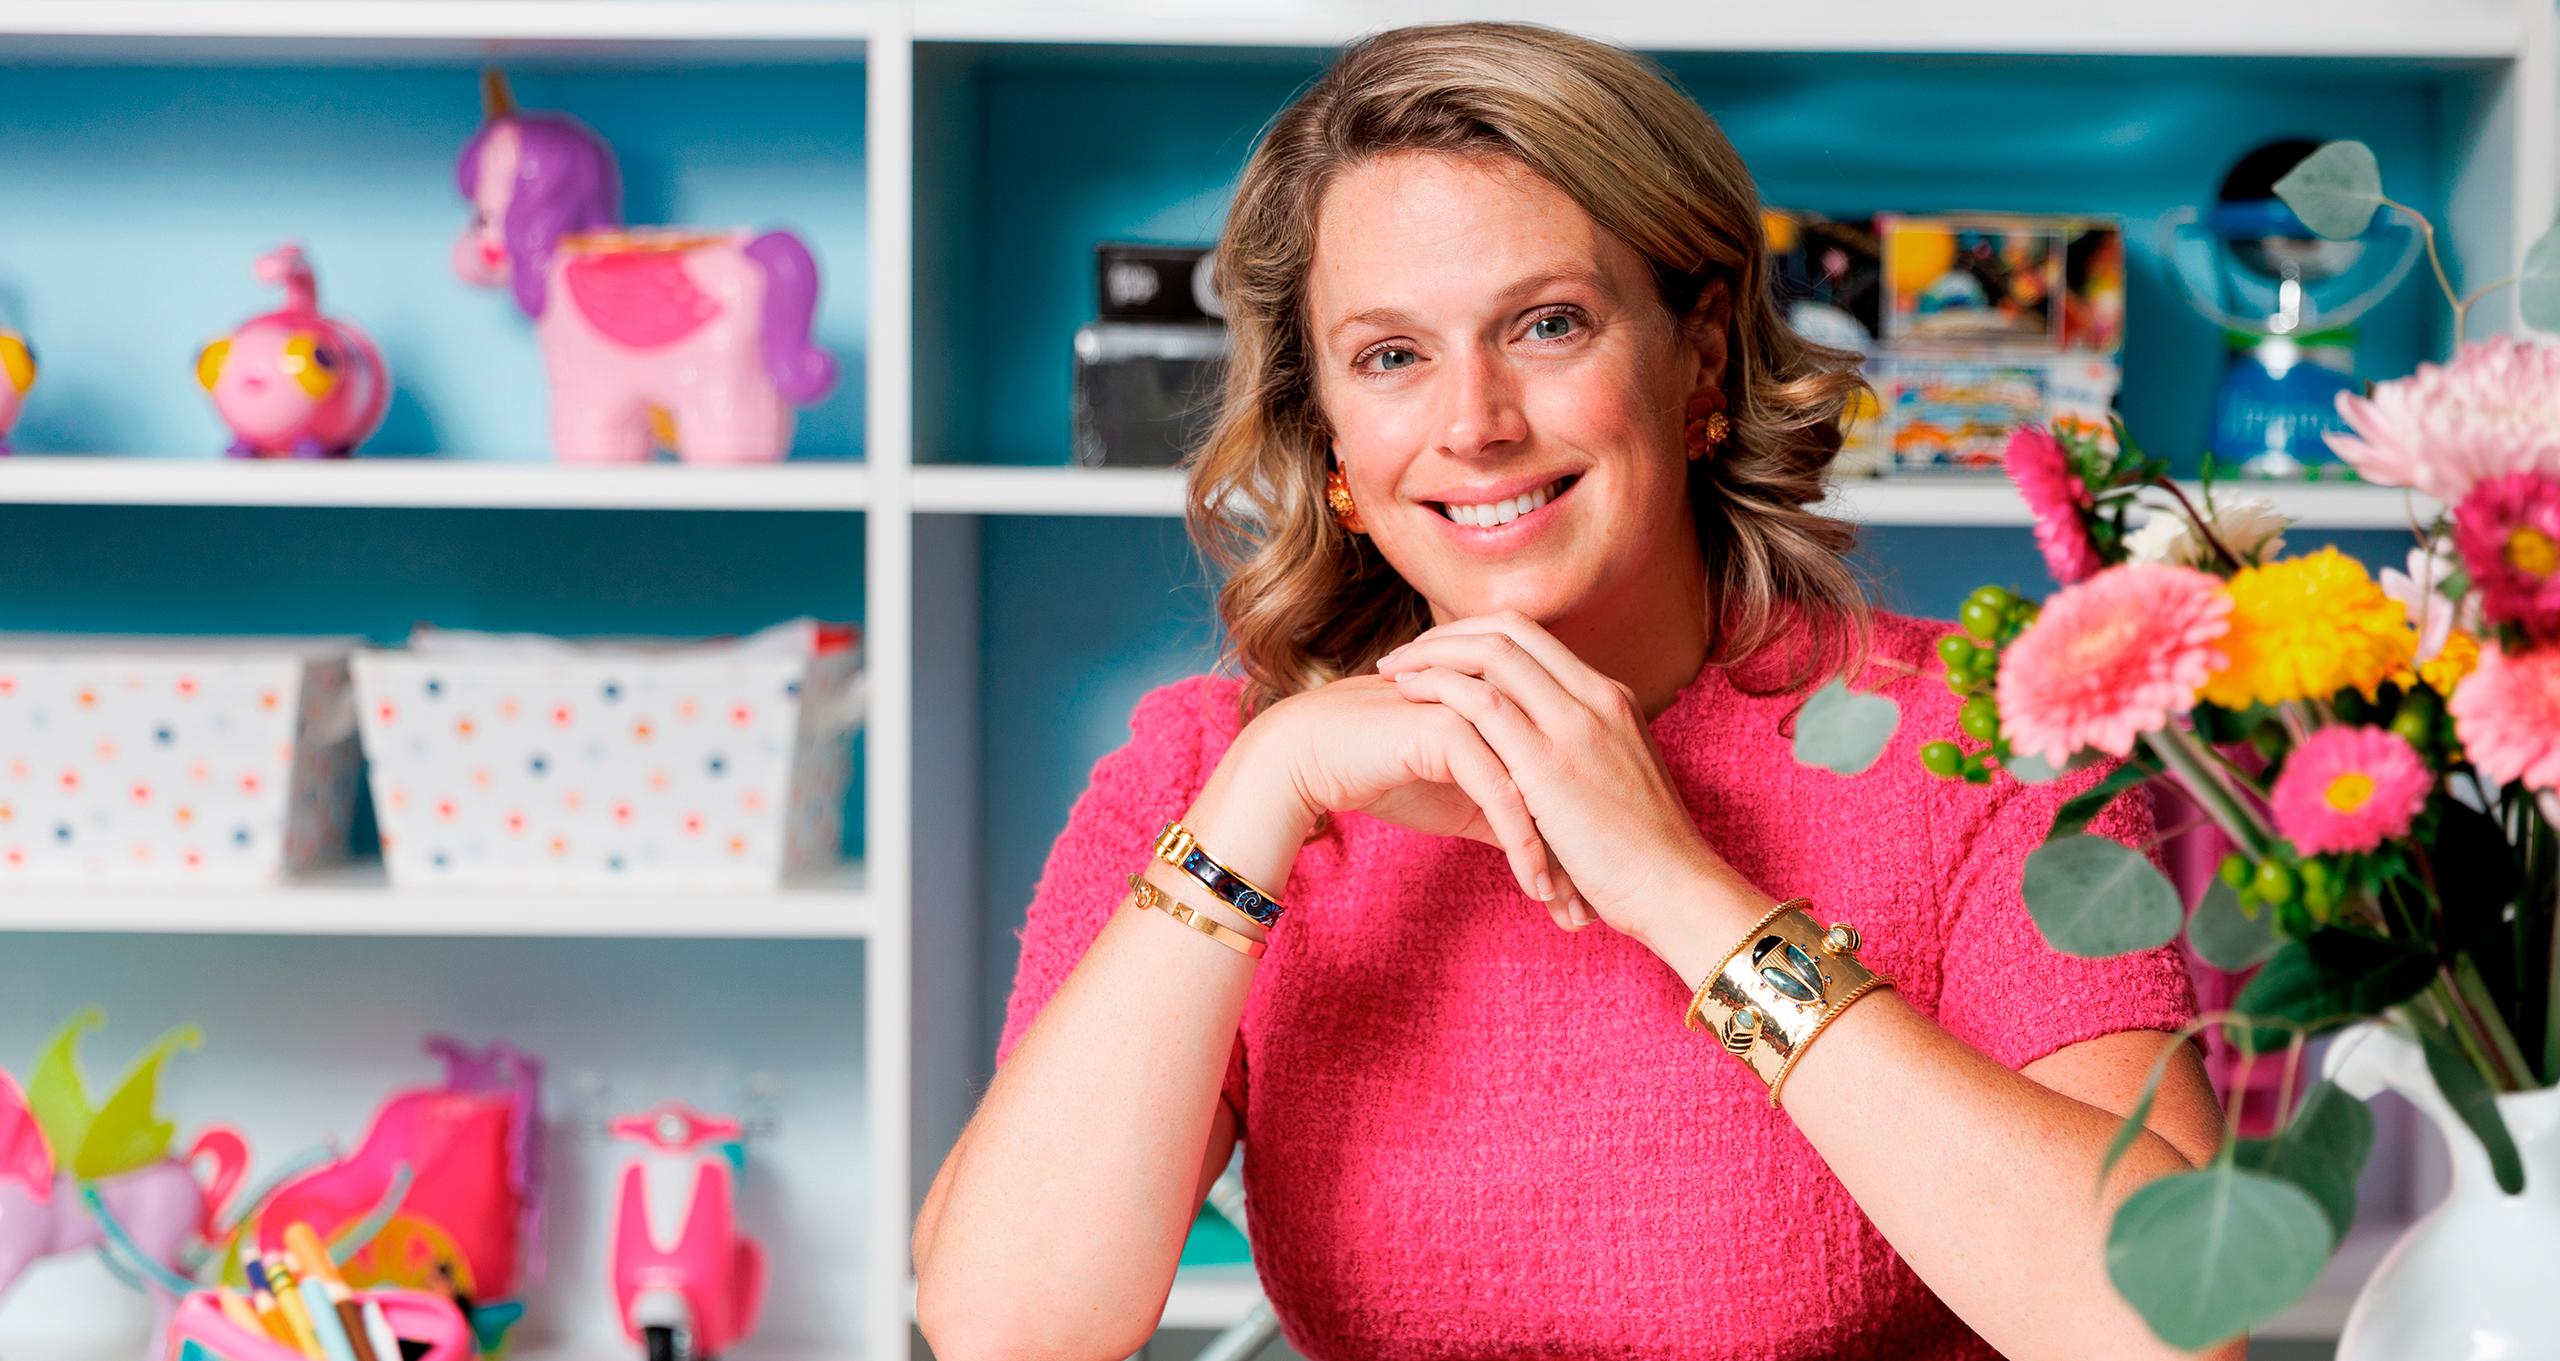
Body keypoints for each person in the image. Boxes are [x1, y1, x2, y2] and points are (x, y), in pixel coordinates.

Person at [914, 21, 2231, 1361]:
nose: (1475, 420)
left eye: (1548, 325)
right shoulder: (1208, 775)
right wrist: (1263, 789)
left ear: (1699, 360)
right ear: (1330, 445)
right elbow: (1001, 1326)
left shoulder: (1976, 742)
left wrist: (1682, 891)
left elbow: (2171, 1329)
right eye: (1390, 356)